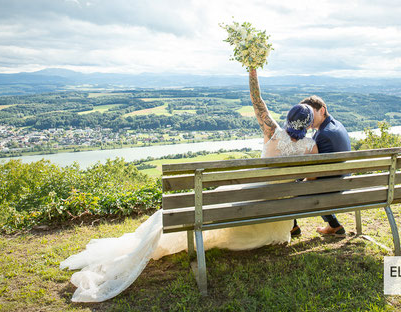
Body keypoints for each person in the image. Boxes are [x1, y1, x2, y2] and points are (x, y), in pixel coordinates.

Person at [59, 68, 318, 302]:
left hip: (251, 197)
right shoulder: (310, 146)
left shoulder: (272, 132)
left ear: (287, 118)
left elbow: (257, 101)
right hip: (278, 209)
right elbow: (313, 178)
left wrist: (252, 70)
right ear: (307, 124)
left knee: (209, 201)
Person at [291, 95, 351, 238]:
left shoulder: (323, 135)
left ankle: (293, 227)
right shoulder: (337, 125)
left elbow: (313, 176)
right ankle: (334, 225)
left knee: (288, 186)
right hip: (342, 182)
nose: (308, 118)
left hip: (330, 188)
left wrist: (299, 181)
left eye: (311, 113)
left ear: (322, 110)